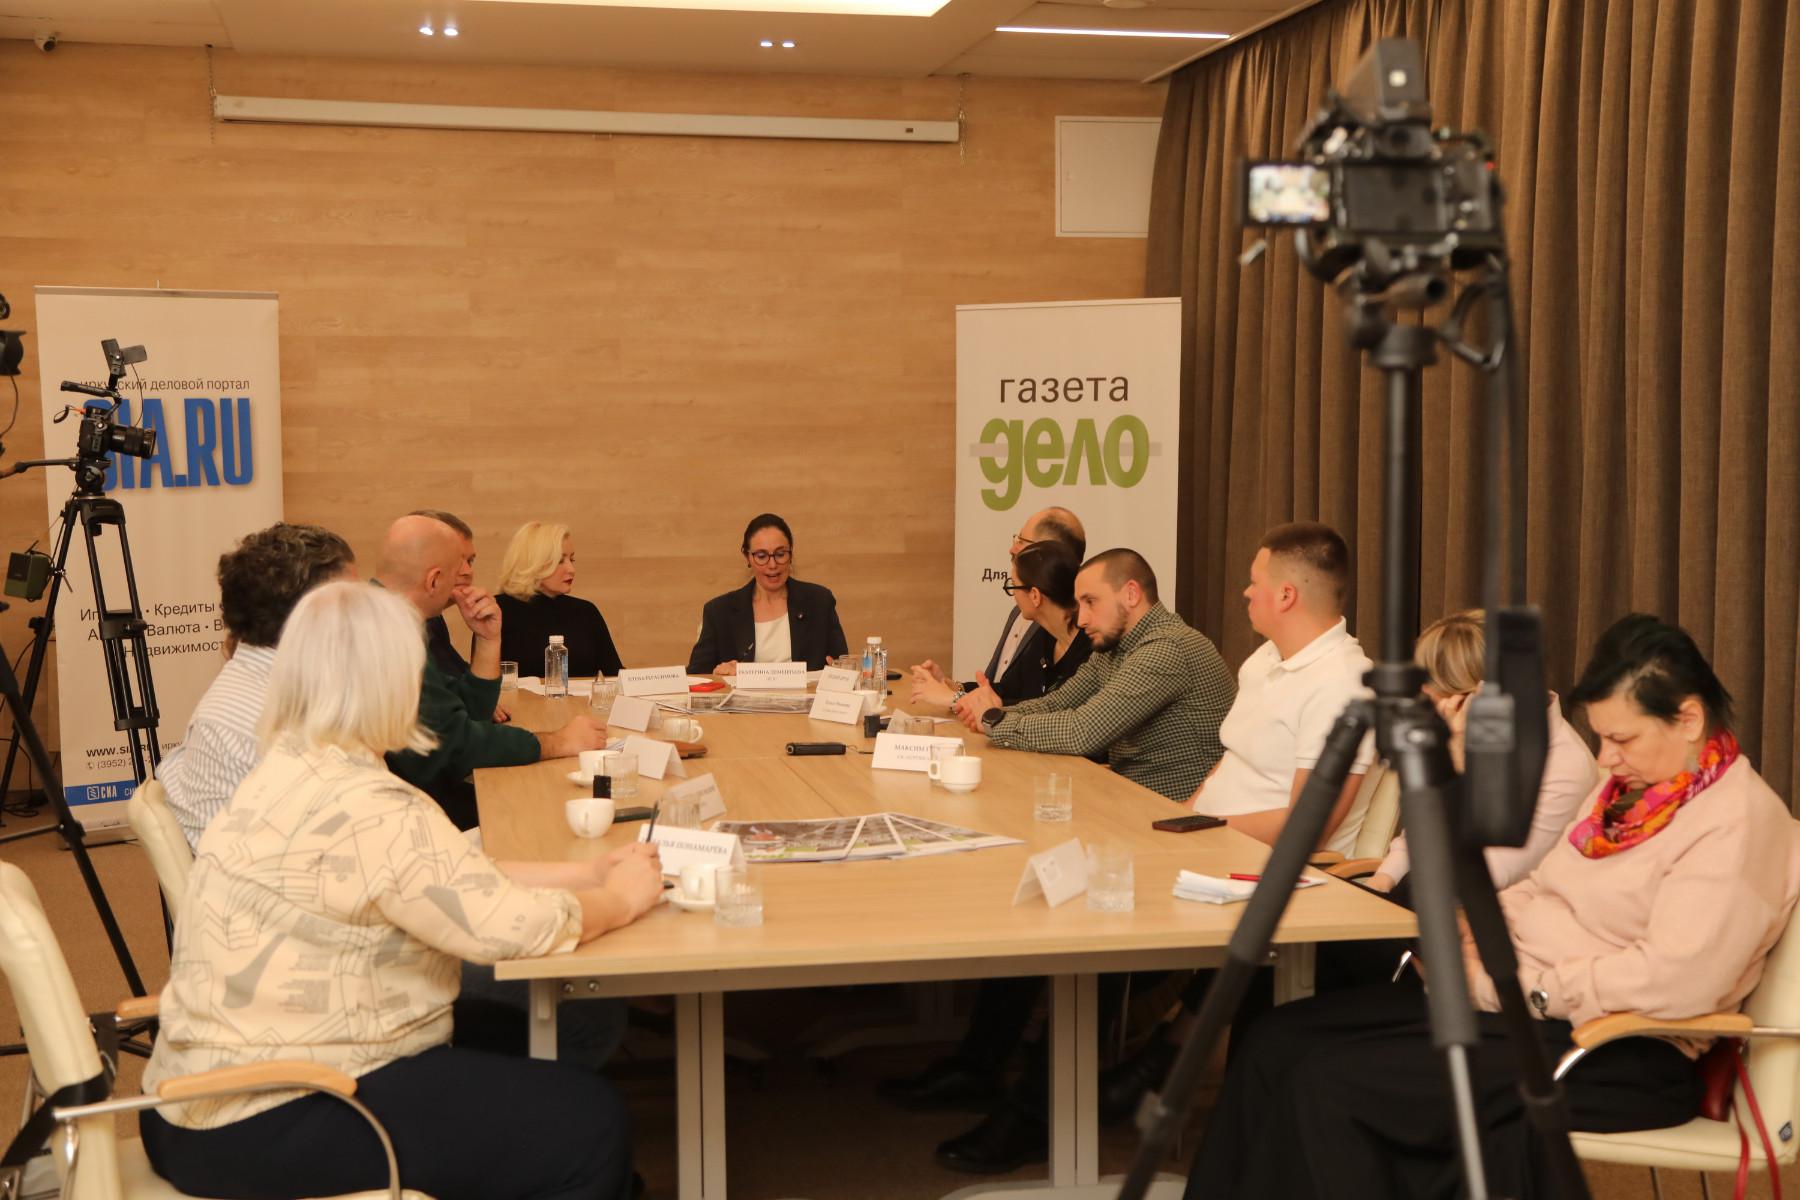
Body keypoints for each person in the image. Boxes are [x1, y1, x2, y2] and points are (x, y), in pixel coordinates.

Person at [1184, 613, 1800, 1200]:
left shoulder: (1737, 826)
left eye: (1621, 739)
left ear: (1688, 719)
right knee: (1277, 1039)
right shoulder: (1630, 798)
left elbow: (1672, 981)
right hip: (1520, 1009)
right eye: (1601, 738)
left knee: (1330, 1081)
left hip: (1613, 1049)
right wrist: (1476, 927)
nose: (1606, 759)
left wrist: (1512, 985)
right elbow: (1540, 889)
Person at [140, 581, 663, 1200]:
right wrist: (620, 900)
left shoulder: (290, 766)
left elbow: (445, 877)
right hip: (269, 1114)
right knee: (592, 1123)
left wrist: (589, 873)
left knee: (521, 1032)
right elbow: (512, 930)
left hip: (196, 1100)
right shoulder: (370, 802)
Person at [376, 513, 608, 829]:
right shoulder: (385, 635)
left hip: (422, 798)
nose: (468, 574)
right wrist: (559, 741)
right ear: (434, 580)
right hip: (418, 815)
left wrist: (488, 641)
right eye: (460, 565)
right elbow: (456, 745)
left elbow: (470, 713)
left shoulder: (392, 622)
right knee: (547, 811)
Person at [956, 548, 1235, 804]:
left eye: (1091, 602)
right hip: (1133, 800)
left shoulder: (1166, 649)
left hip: (1181, 817)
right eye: (1080, 604)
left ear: (1131, 594)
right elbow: (1057, 703)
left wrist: (995, 721)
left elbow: (1084, 731)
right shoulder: (1114, 648)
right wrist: (992, 713)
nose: (1081, 619)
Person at [1367, 609, 1596, 895]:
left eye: (1429, 698)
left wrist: (1458, 766)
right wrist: (1382, 880)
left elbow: (1488, 873)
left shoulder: (1564, 765)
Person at [159, 522, 356, 850]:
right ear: (306, 616)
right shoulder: (273, 723)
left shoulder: (267, 685)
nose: (363, 616)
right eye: (351, 603)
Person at [1187, 522, 1377, 855]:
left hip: (1263, 865)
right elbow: (1235, 760)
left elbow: (1306, 828)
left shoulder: (1343, 685)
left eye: (1254, 582)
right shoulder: (1266, 656)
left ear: (1286, 595)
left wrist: (1194, 828)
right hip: (1208, 842)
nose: (1246, 592)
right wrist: (1182, 816)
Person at [910, 506, 1086, 703]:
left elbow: (1049, 711)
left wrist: (955, 699)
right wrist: (950, 686)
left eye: (1021, 541)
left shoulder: (1089, 647)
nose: (1012, 548)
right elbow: (1009, 690)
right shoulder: (1044, 633)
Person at [687, 513, 847, 674]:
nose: (772, 565)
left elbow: (843, 666)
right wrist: (718, 675)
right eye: (762, 556)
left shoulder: (819, 602)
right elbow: (695, 676)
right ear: (747, 557)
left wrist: (837, 672)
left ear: (791, 553)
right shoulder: (719, 612)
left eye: (780, 554)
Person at [494, 521, 626, 679]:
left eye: (572, 560)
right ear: (533, 563)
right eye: (560, 561)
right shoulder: (497, 610)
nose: (572, 569)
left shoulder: (585, 612)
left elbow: (617, 675)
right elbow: (483, 682)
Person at [414, 508, 476, 678]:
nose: (468, 571)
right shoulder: (392, 625)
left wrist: (488, 639)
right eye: (456, 559)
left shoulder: (433, 616)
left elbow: (458, 679)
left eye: (470, 561)